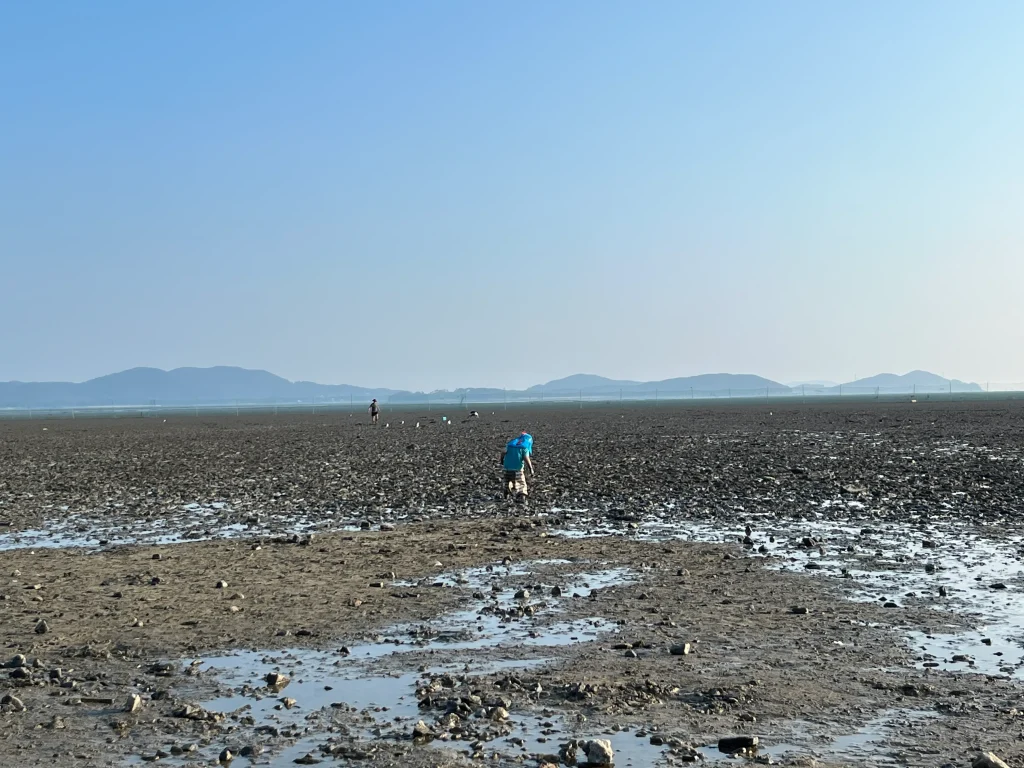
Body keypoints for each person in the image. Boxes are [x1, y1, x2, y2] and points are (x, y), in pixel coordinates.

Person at [500, 432, 534, 503]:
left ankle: (506, 494)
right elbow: (526, 458)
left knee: (507, 481)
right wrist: (531, 468)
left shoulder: (510, 444)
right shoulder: (524, 447)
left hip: (507, 468)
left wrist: (502, 460)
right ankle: (522, 496)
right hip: (517, 469)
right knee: (521, 483)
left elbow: (503, 452)